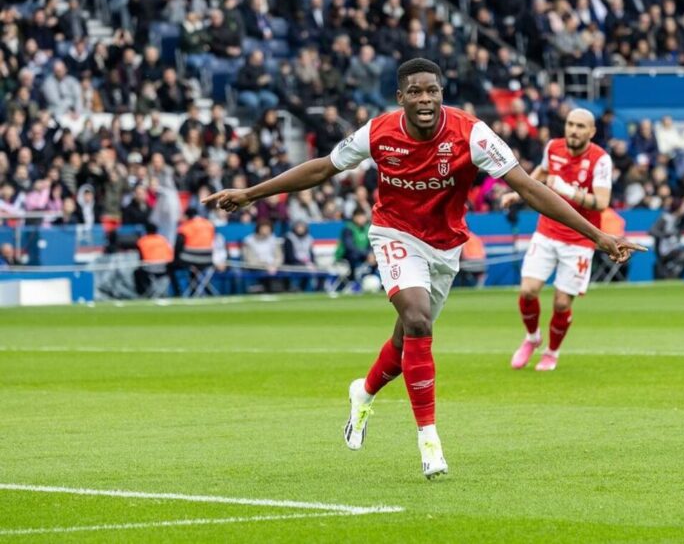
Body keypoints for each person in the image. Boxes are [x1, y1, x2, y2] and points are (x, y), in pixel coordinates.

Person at [202, 59, 645, 480]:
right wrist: (251, 194)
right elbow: (322, 168)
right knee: (416, 319)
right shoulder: (377, 133)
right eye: (415, 92)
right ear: (401, 97)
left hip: (445, 248)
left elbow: (528, 187)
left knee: (406, 338)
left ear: (442, 94)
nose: (425, 99)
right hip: (393, 235)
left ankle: (365, 392)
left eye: (432, 90)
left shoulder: (473, 134)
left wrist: (598, 236)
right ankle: (429, 440)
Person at [500, 109, 613, 372]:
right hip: (548, 231)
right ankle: (532, 338)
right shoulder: (553, 147)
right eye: (570, 124)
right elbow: (540, 173)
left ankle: (552, 351)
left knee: (562, 302)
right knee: (528, 290)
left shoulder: (601, 160)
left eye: (580, 126)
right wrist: (517, 194)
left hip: (580, 239)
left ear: (591, 132)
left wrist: (567, 191)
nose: (574, 130)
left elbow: (603, 202)